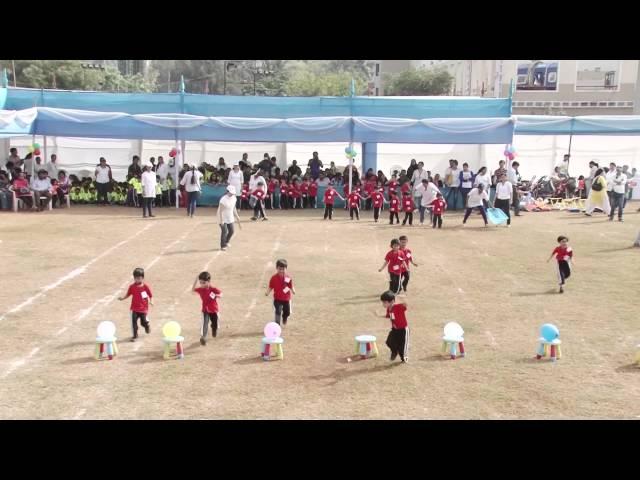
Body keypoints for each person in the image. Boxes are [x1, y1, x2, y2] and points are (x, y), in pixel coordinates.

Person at [118, 267, 153, 342]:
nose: (137, 280)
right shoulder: (132, 287)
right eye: (136, 278)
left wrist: (151, 301)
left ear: (142, 278)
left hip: (143, 309)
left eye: (139, 278)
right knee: (133, 322)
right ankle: (135, 335)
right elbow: (128, 294)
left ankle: (147, 326)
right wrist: (123, 298)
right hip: (134, 308)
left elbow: (150, 295)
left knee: (143, 322)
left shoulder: (145, 287)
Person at [192, 271, 223, 344]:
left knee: (215, 324)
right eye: (200, 282)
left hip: (214, 310)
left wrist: (217, 296)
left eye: (203, 282)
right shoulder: (200, 290)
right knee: (204, 323)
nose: (202, 284)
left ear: (208, 281)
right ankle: (203, 337)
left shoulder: (213, 289)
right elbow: (192, 290)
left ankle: (214, 329)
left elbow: (221, 294)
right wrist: (195, 280)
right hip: (205, 310)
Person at [379, 291, 409, 363]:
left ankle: (404, 358)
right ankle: (394, 352)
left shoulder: (398, 307)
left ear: (392, 301)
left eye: (385, 302)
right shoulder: (389, 309)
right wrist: (379, 315)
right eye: (383, 302)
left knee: (402, 347)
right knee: (389, 342)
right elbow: (389, 316)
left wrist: (403, 298)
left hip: (403, 330)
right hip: (395, 330)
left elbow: (405, 305)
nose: (383, 304)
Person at [265, 259, 296, 326]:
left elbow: (290, 285)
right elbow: (271, 286)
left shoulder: (288, 277)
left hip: (286, 298)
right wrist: (267, 292)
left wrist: (293, 290)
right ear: (277, 268)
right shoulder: (274, 278)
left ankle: (284, 317)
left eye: (283, 269)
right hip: (277, 299)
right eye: (279, 269)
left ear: (286, 269)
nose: (281, 271)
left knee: (287, 312)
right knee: (278, 311)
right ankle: (277, 325)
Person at [218, 185, 242, 251]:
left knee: (231, 231)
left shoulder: (234, 198)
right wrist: (221, 220)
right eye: (230, 192)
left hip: (230, 216)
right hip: (222, 216)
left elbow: (234, 208)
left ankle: (227, 241)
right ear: (227, 191)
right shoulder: (223, 199)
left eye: (233, 193)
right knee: (224, 231)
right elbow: (220, 211)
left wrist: (237, 216)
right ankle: (223, 246)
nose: (232, 194)